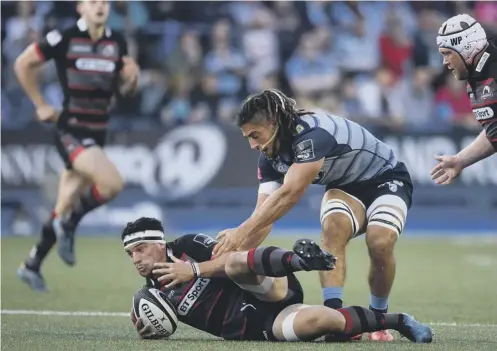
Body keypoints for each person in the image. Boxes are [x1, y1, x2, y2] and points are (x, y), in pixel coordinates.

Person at [212, 89, 414, 341]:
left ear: (273, 124)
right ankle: (336, 319)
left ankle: (379, 320)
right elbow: (263, 218)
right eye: (247, 138)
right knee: (333, 229)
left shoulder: (310, 135)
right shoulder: (269, 157)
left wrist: (239, 233)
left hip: (387, 178)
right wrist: (225, 264)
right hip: (346, 187)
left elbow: (291, 194)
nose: (253, 146)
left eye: (255, 135)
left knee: (379, 241)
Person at [124, 217, 432, 343]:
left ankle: (302, 261)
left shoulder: (188, 247)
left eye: (140, 249)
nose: (136, 258)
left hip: (266, 287)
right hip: (258, 326)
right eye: (130, 254)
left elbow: (232, 257)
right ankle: (395, 320)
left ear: (159, 243)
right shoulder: (152, 298)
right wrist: (148, 329)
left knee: (232, 263)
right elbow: (158, 324)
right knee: (326, 321)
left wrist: (193, 270)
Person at [15, 0, 139, 292]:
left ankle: (32, 264)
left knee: (65, 202)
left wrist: (132, 80)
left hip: (97, 134)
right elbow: (22, 64)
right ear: (80, 7)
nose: (100, 6)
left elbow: (123, 92)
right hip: (70, 130)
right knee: (111, 184)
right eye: (93, 1)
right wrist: (41, 104)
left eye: (104, 2)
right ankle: (70, 225)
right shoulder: (65, 37)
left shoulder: (117, 42)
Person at [431, 14, 496, 185]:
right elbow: (495, 129)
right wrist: (461, 160)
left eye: (447, 54)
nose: (444, 62)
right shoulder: (479, 76)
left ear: (466, 48)